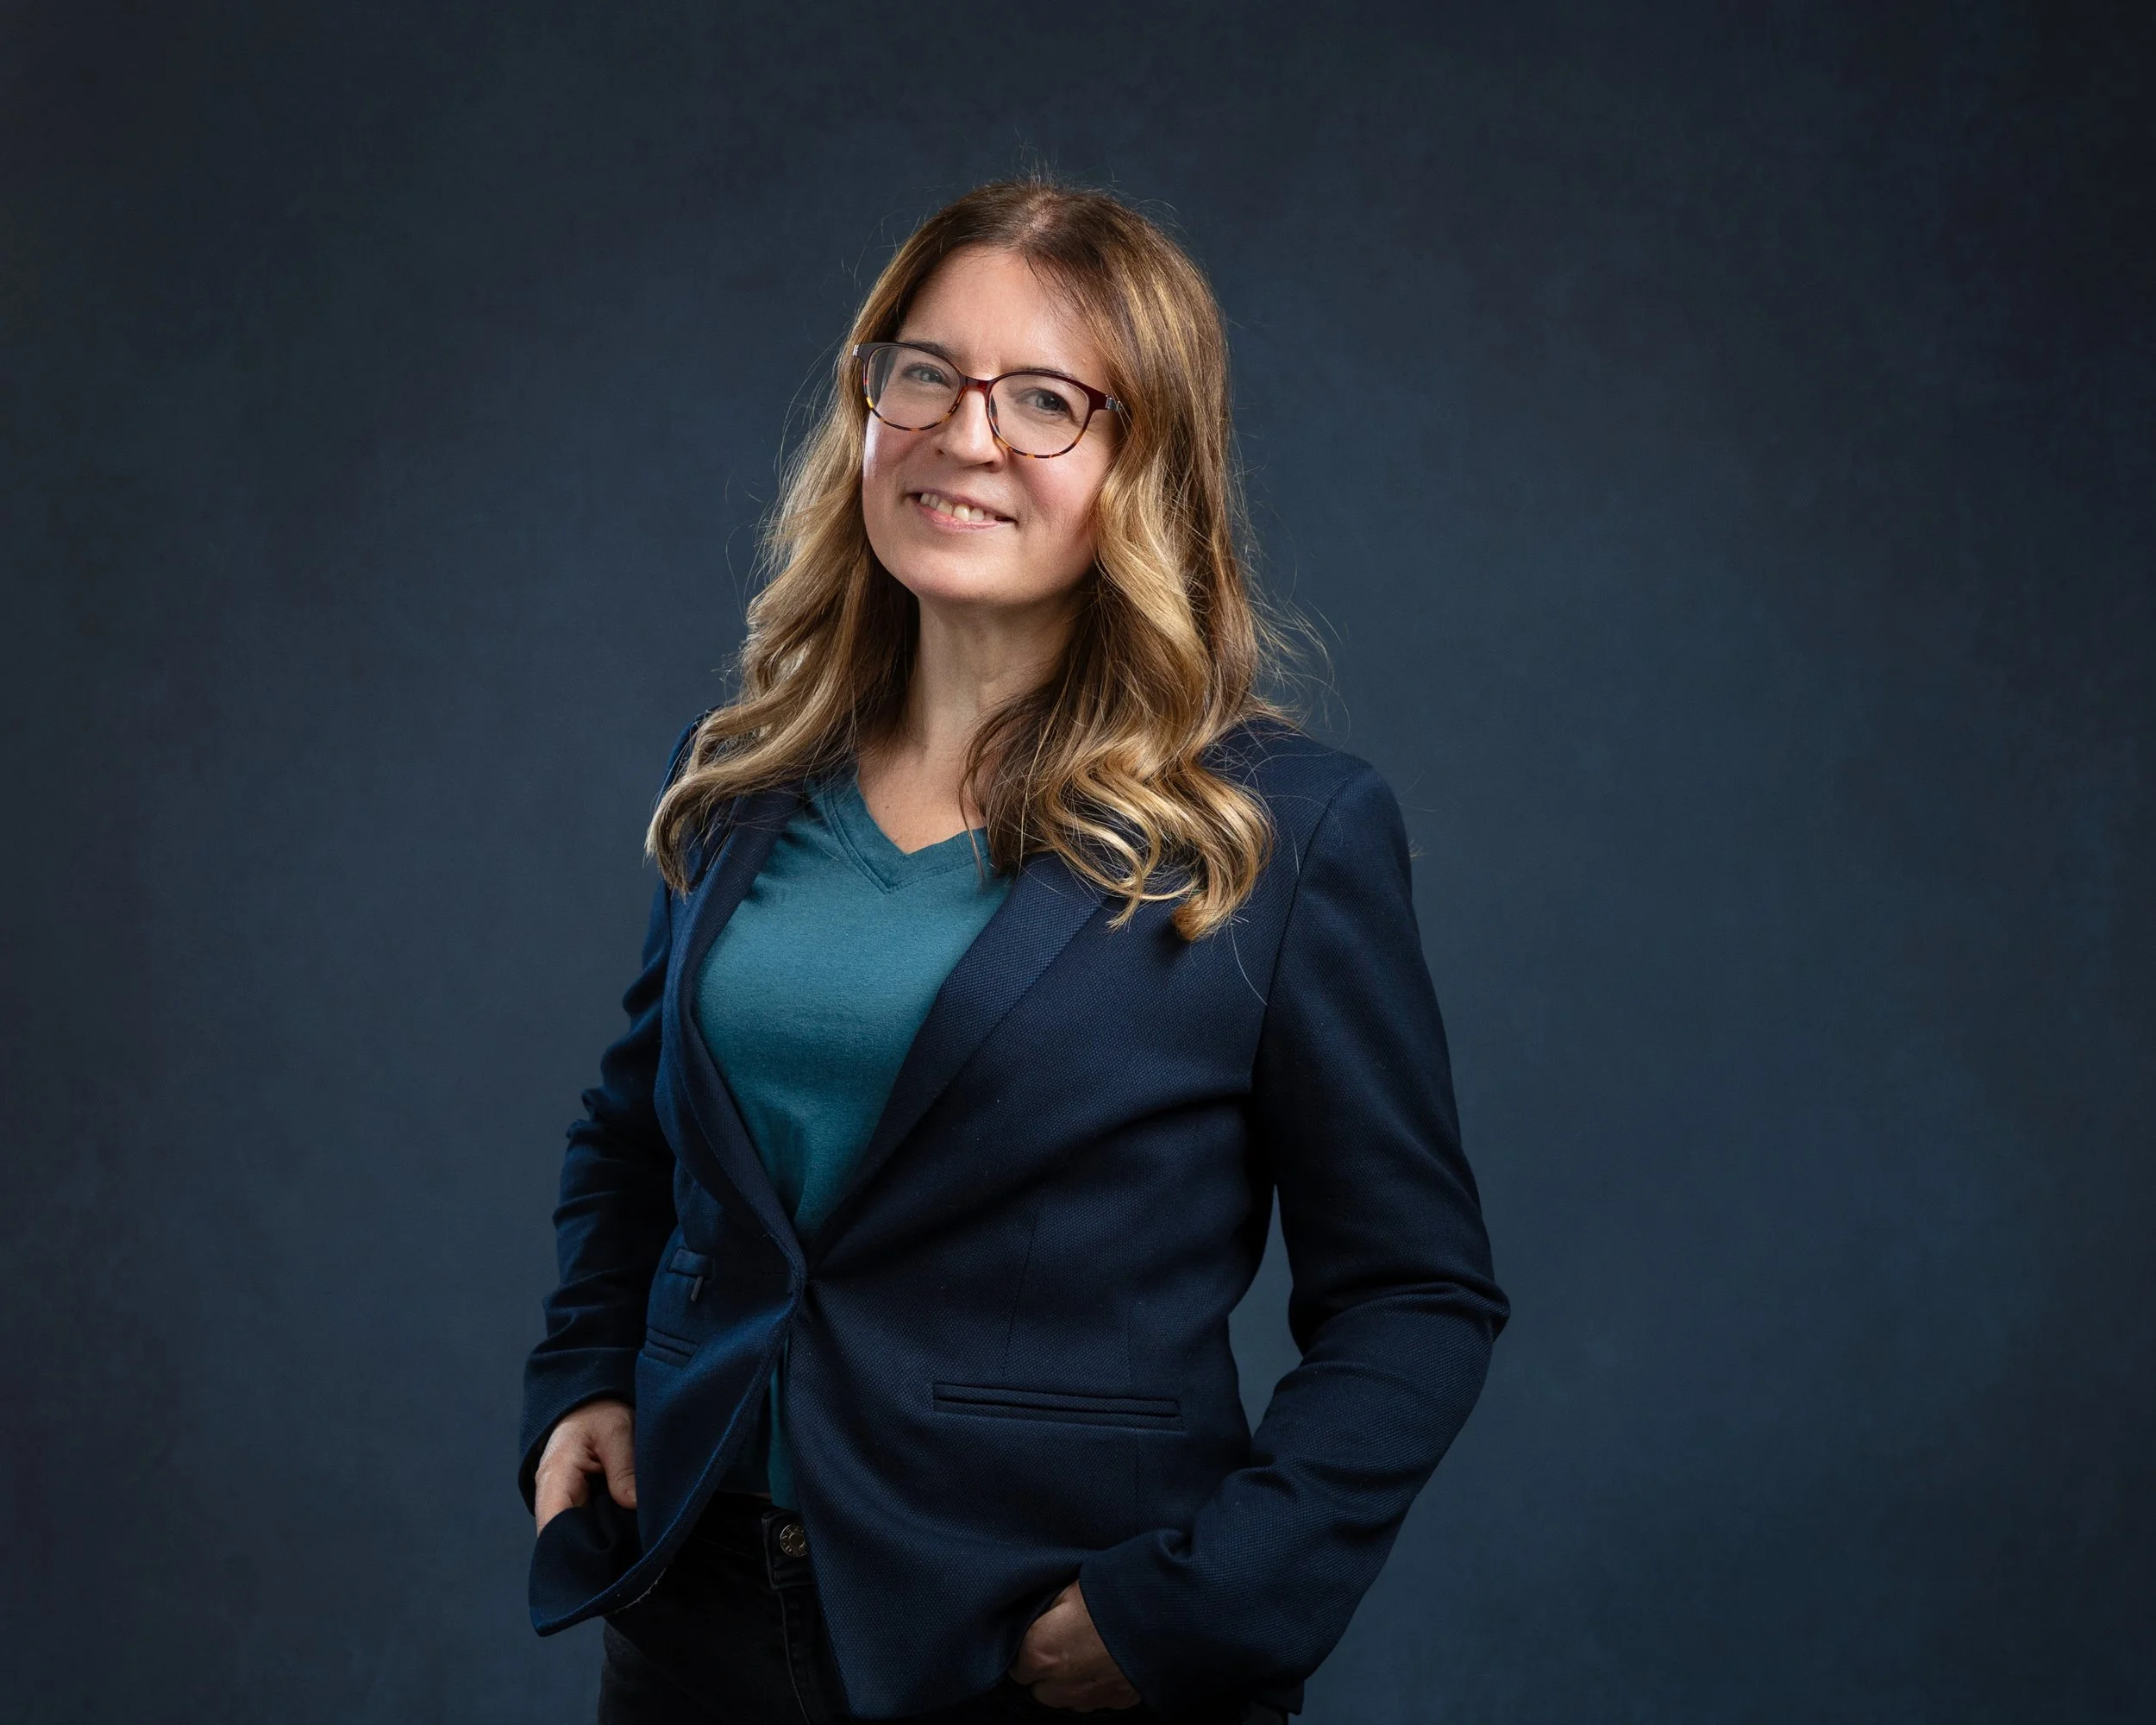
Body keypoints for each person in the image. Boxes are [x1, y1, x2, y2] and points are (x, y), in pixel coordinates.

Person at [518, 178, 1507, 1725]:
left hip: (1036, 1649)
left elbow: (1416, 1297)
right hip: (694, 1614)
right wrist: (582, 1369)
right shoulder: (738, 780)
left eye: (1046, 400)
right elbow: (635, 1129)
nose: (964, 435)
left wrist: (1207, 1606)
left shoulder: (1283, 834)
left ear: (1144, 466)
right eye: (923, 372)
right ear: (864, 402)